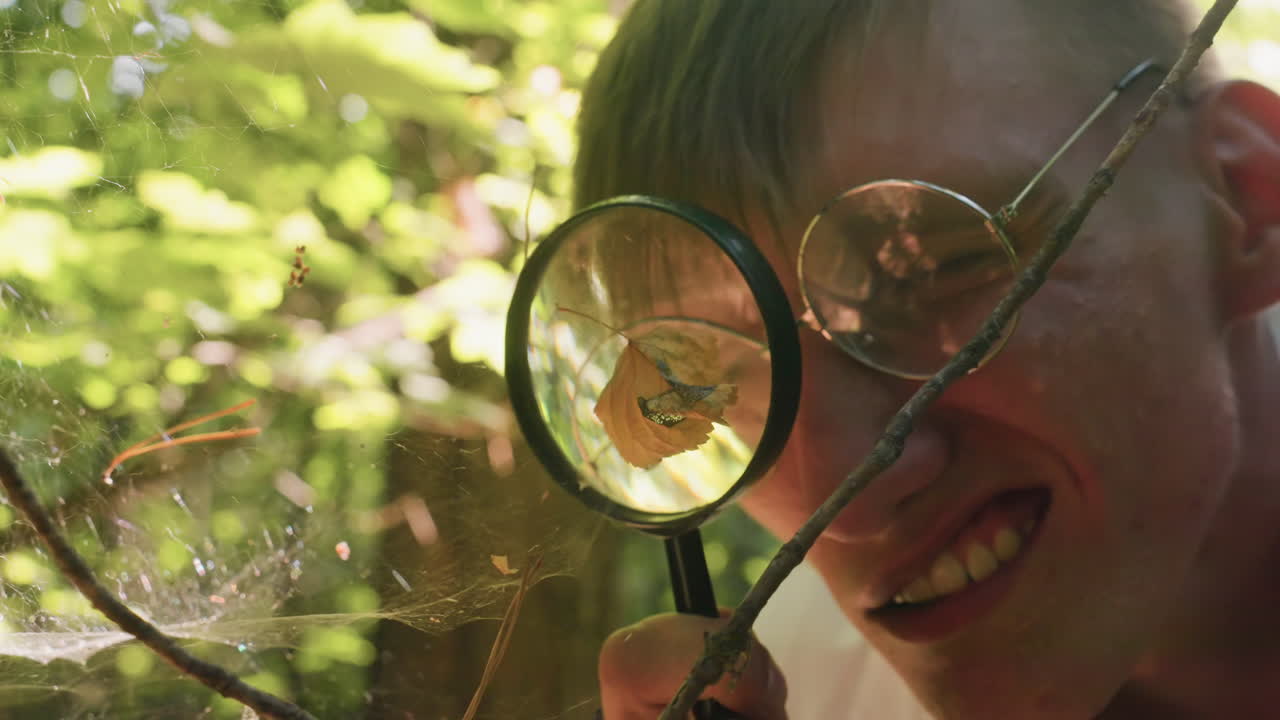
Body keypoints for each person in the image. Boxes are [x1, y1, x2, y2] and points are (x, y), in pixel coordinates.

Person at [572, 1, 1280, 718]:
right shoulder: (799, 690)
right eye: (710, 387)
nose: (837, 497)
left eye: (930, 272)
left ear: (1249, 192)